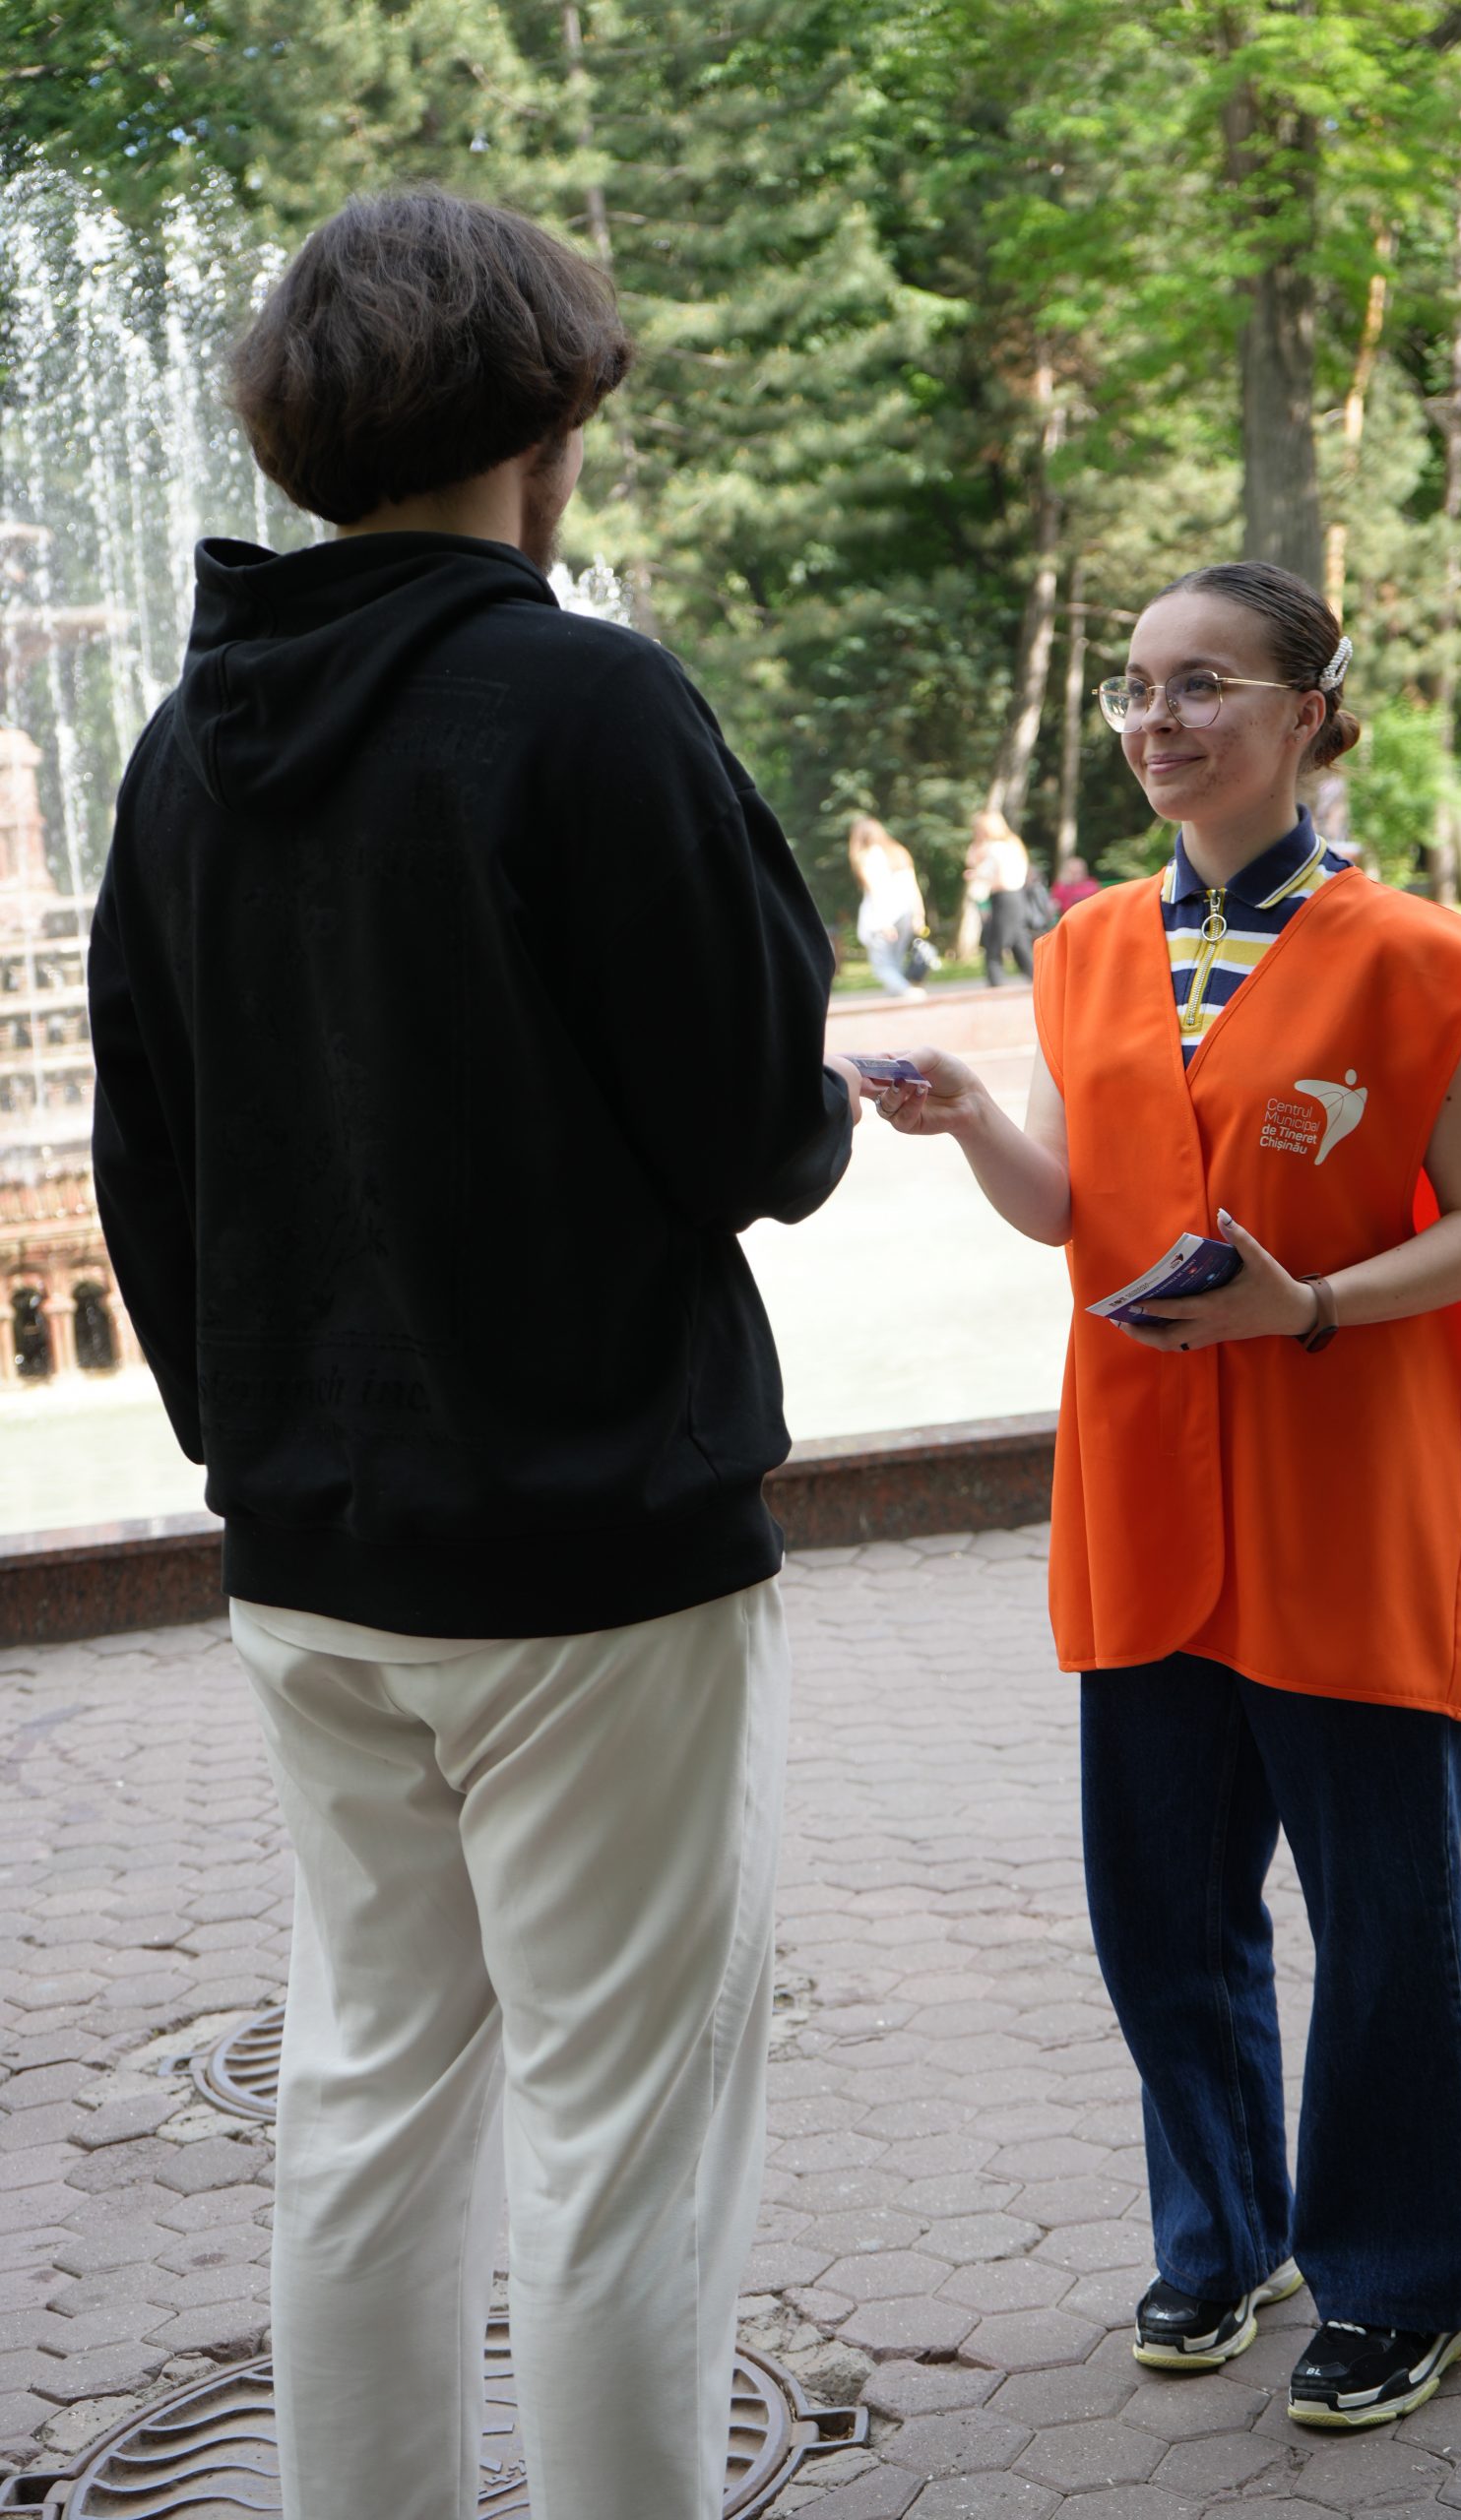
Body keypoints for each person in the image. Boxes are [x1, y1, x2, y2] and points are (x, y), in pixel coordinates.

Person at [89, 190, 864, 2520]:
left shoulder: (184, 744)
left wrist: (258, 1446)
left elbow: (149, 1158)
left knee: (364, 2097)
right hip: (596, 1555)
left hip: (316, 1558)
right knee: (619, 2135)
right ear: (545, 415)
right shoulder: (587, 696)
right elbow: (757, 1123)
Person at [865, 558, 1461, 2431]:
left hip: (1343, 1498)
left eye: (1201, 685)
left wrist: (1307, 1304)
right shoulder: (1085, 946)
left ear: (1305, 713)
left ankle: (1410, 2281)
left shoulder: (1407, 955)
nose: (1155, 721)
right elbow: (1074, 1210)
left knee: (1379, 1917)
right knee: (1157, 1914)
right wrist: (969, 1121)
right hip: (1143, 1494)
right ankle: (1228, 2233)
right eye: (1134, 687)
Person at [849, 812, 927, 996]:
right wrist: (919, 914)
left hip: (881, 916)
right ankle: (898, 997)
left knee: (882, 966)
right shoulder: (898, 853)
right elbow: (912, 886)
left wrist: (883, 921)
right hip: (905, 912)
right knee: (896, 961)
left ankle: (908, 992)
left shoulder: (866, 857)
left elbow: (875, 891)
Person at [969, 806, 1037, 984]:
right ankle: (1038, 979)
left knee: (994, 945)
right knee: (1018, 942)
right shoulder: (1012, 845)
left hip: (1004, 897)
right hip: (1015, 897)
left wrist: (979, 876)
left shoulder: (996, 848)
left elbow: (1002, 878)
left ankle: (996, 985)